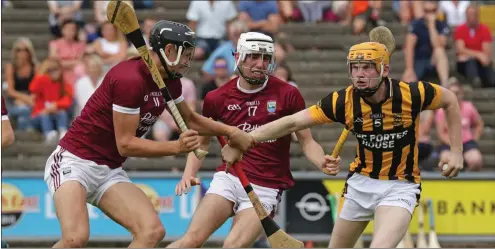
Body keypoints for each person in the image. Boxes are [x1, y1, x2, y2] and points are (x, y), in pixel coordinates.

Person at [221, 28, 464, 248]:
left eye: (367, 67)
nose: (359, 74)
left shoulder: (412, 93)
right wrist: (244, 139)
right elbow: (293, 122)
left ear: (384, 69)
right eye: (355, 68)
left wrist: (456, 151)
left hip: (399, 185)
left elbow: (450, 101)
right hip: (359, 184)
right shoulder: (343, 100)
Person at [43, 20, 254, 248]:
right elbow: (126, 145)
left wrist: (231, 131)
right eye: (185, 54)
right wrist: (176, 147)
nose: (188, 61)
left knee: (151, 232)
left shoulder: (170, 82)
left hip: (109, 170)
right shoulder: (129, 79)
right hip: (75, 161)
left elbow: (191, 119)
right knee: (75, 238)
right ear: (169, 50)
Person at [167, 32, 337, 248]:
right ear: (238, 56)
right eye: (254, 56)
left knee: (233, 246)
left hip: (266, 187)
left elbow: (307, 141)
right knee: (190, 241)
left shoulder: (288, 94)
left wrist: (320, 160)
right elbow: (201, 144)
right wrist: (188, 174)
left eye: (266, 58)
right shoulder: (216, 98)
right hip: (228, 177)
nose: (261, 64)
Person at [435, 78, 484, 171]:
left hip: (466, 143)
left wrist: (474, 139)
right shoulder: (441, 111)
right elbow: (440, 133)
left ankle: (469, 180)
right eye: (452, 93)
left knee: (476, 160)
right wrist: (455, 146)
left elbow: (479, 124)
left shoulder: (469, 107)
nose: (455, 96)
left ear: (462, 94)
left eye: (457, 93)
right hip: (448, 143)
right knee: (444, 162)